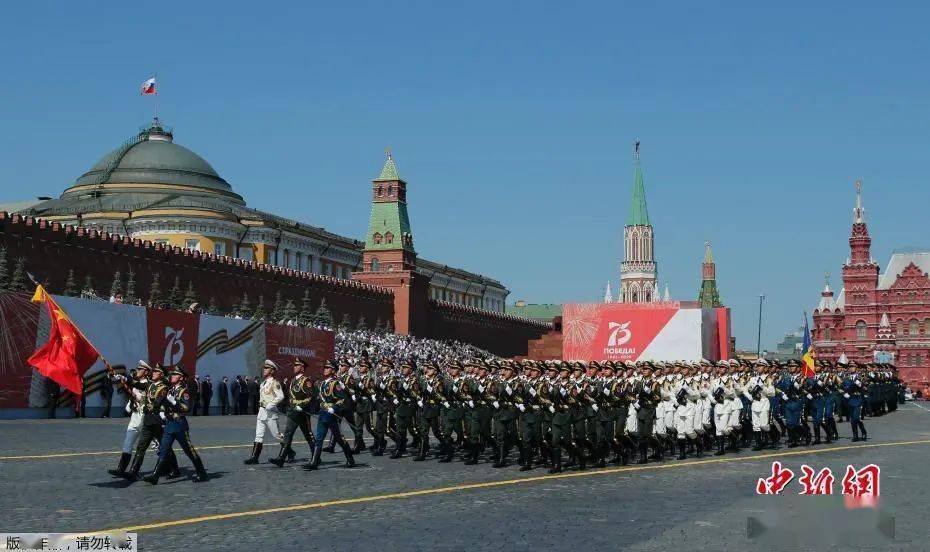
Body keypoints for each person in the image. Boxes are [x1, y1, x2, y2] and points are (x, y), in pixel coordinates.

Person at [142, 367, 208, 484]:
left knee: (189, 450)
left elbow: (186, 408)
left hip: (179, 425)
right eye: (172, 375)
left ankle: (202, 472)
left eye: (175, 375)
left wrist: (174, 402)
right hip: (169, 424)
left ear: (181, 378)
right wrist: (162, 412)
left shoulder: (184, 391)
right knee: (163, 449)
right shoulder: (170, 390)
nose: (172, 376)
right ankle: (155, 476)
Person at [121, 364, 180, 482]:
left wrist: (146, 404)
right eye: (153, 371)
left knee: (164, 447)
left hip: (158, 421)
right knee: (141, 447)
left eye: (156, 372)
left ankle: (174, 469)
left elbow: (158, 402)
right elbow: (137, 384)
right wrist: (124, 378)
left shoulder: (164, 387)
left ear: (161, 375)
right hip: (148, 421)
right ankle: (133, 471)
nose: (153, 373)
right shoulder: (149, 384)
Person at [306, 360, 355, 470]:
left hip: (332, 416)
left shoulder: (335, 383)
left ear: (332, 370)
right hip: (323, 414)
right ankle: (314, 463)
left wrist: (334, 408)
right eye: (324, 368)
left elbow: (342, 398)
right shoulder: (323, 383)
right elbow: (319, 397)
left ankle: (350, 458)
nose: (325, 369)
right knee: (319, 439)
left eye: (327, 368)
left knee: (339, 439)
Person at [269, 358, 316, 467]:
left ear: (302, 368)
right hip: (293, 413)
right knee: (287, 435)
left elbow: (310, 396)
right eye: (294, 365)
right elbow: (290, 397)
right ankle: (281, 458)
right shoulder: (293, 380)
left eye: (297, 365)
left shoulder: (306, 381)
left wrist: (302, 405)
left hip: (302, 413)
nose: (294, 367)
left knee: (308, 435)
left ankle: (316, 456)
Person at [244, 360, 285, 465]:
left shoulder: (274, 382)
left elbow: (280, 396)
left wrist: (272, 404)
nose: (264, 370)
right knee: (258, 435)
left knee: (277, 435)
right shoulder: (263, 383)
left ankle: (289, 452)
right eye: (264, 368)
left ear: (271, 370)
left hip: (270, 413)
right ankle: (254, 457)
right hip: (262, 411)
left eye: (266, 368)